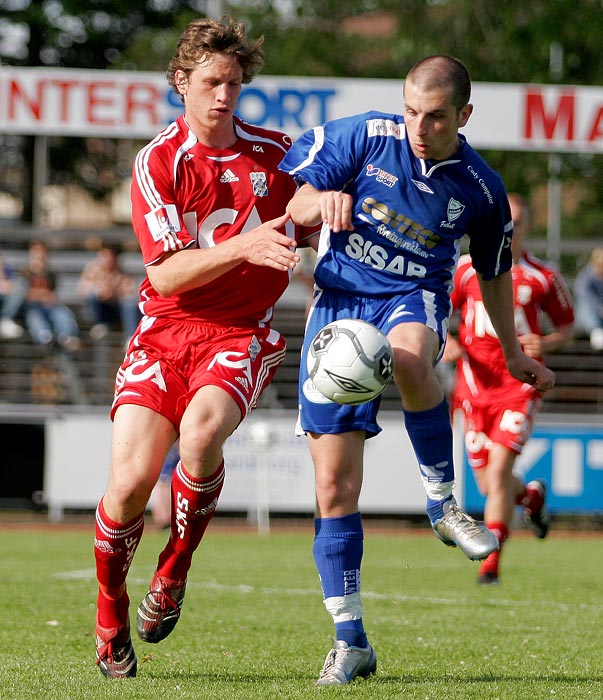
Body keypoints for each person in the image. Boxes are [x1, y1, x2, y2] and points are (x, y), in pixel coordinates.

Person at [279, 55, 555, 685]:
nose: (418, 127)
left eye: (434, 117)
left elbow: (493, 273)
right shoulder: (363, 137)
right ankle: (350, 640)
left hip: (412, 296)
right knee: (333, 492)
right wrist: (320, 200)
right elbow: (294, 199)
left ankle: (442, 506)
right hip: (338, 310)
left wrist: (513, 353)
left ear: (464, 115)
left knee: (407, 356)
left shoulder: (481, 189)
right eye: (410, 110)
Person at [93, 16, 312, 679]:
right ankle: (109, 613)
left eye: (234, 84)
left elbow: (326, 203)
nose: (224, 95)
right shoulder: (158, 160)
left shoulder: (280, 153)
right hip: (164, 330)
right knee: (129, 486)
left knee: (199, 437)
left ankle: (174, 571)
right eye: (212, 82)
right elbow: (163, 273)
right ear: (181, 82)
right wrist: (246, 243)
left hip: (240, 332)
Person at [442, 192, 574, 585]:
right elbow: (437, 311)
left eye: (517, 222)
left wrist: (544, 344)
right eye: (505, 220)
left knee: (498, 472)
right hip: (472, 387)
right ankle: (531, 497)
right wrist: (445, 341)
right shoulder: (464, 270)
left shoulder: (542, 277)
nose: (510, 229)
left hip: (519, 386)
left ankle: (490, 564)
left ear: (527, 227)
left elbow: (567, 328)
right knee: (488, 482)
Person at [9, 240, 81, 352]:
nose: (39, 256)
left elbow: (52, 295)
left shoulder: (50, 274)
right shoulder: (25, 272)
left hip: (49, 307)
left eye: (42, 253)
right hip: (31, 308)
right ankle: (44, 336)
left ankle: (66, 336)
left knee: (62, 313)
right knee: (35, 317)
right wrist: (41, 294)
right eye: (36, 253)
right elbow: (23, 294)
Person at [78, 243, 141, 344]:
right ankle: (100, 325)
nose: (106, 259)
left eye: (109, 255)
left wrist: (113, 294)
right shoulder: (92, 270)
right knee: (92, 297)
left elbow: (131, 292)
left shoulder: (123, 273)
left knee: (129, 304)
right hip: (100, 308)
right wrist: (99, 291)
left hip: (117, 309)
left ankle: (130, 337)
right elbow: (83, 289)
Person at [573, 247, 603, 350]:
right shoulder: (585, 278)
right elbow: (585, 297)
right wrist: (600, 308)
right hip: (588, 317)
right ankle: (596, 331)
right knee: (585, 306)